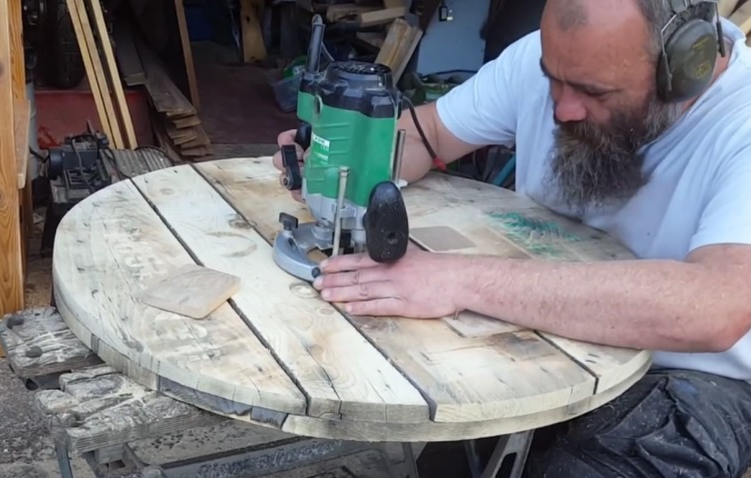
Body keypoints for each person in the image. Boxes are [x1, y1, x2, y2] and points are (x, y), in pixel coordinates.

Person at [272, 0, 751, 476]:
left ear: (688, 66)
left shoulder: (741, 123)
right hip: (540, 329)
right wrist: (348, 160)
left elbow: (716, 307)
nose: (562, 108)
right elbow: (430, 133)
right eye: (553, 79)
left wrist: (464, 281)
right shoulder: (550, 61)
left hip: (696, 378)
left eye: (594, 91)